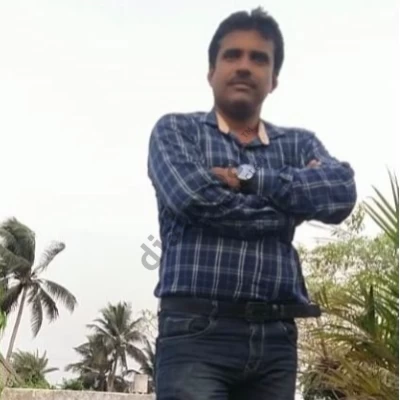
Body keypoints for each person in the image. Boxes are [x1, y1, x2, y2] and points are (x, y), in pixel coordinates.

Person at [147, 7, 357, 400]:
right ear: (211, 71)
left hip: (276, 341)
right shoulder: (177, 132)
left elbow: (341, 192)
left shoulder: (298, 143)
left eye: (259, 58)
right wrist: (292, 208)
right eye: (232, 55)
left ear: (273, 79)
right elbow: (196, 198)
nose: (244, 66)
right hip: (195, 334)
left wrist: (247, 178)